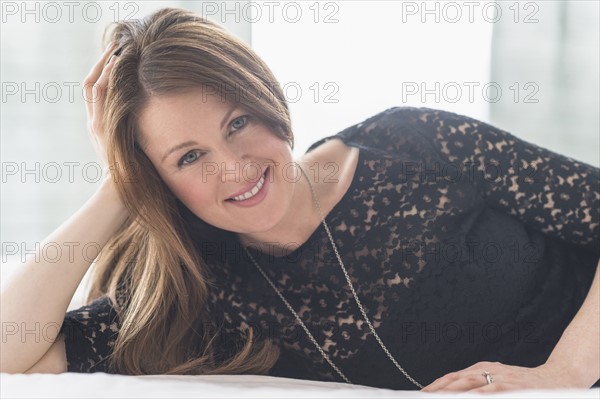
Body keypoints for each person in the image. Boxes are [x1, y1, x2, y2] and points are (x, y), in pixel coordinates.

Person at [1, 7, 598, 394]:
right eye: (188, 157)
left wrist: (564, 376)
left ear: (265, 99)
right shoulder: (207, 289)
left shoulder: (411, 142)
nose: (234, 168)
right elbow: (12, 352)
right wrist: (117, 184)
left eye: (236, 124)